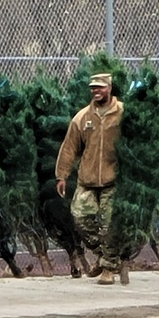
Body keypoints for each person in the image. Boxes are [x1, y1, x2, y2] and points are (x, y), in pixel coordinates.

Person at [55, 73, 124, 286]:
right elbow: (69, 148)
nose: (96, 91)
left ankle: (109, 269)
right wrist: (61, 175)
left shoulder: (121, 113)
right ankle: (106, 257)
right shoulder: (82, 117)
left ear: (109, 88)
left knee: (108, 224)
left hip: (114, 179)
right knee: (80, 217)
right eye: (93, 88)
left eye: (100, 87)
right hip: (88, 178)